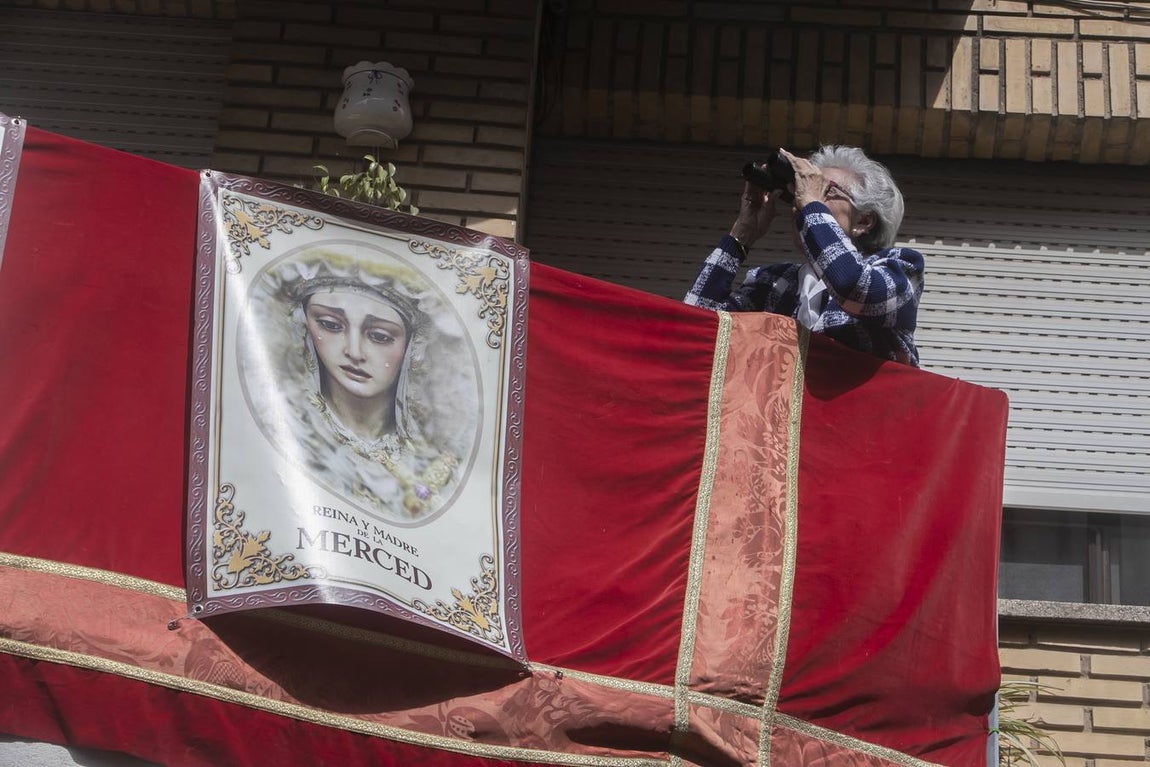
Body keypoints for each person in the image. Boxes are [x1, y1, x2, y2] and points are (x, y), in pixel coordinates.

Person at [685, 145, 924, 366]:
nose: (799, 201)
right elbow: (696, 329)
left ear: (863, 221)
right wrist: (741, 235)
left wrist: (811, 202)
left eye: (824, 190)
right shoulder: (773, 282)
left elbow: (853, 287)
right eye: (800, 191)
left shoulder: (900, 268)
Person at [293, 271, 460, 519]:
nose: (354, 351)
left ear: (411, 348)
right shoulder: (292, 433)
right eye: (330, 325)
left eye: (379, 336)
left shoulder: (432, 463)